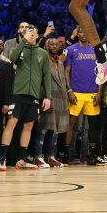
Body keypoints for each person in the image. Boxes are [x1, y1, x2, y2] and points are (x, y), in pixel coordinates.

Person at [0, 26, 52, 171]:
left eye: (34, 33)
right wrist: (24, 41)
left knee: (28, 126)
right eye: (29, 33)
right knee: (11, 122)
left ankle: (21, 159)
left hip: (34, 95)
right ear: (25, 34)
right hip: (17, 93)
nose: (32, 35)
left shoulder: (43, 53)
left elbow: (46, 76)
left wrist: (48, 97)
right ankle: (2, 158)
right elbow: (12, 58)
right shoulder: (19, 49)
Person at [62, 27, 107, 166]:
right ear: (77, 33)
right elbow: (67, 71)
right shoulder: (71, 49)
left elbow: (101, 72)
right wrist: (69, 90)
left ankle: (92, 155)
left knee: (93, 126)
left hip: (92, 92)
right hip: (76, 92)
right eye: (81, 32)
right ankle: (65, 155)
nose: (84, 34)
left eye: (86, 32)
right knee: (71, 123)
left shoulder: (97, 50)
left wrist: (99, 92)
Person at [33, 37, 69, 169]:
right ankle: (38, 156)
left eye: (56, 44)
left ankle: (51, 156)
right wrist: (43, 96)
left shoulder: (60, 62)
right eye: (51, 44)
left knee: (55, 130)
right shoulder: (42, 60)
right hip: (47, 97)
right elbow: (39, 80)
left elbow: (62, 80)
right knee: (43, 128)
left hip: (60, 98)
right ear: (46, 46)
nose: (54, 46)